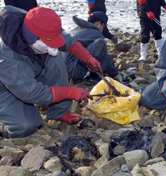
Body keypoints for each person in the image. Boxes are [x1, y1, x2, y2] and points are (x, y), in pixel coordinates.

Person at [0, 6, 103, 138]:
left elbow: (67, 40)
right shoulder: (5, 54)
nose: (54, 47)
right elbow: (31, 92)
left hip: (28, 69)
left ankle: (58, 112)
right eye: (48, 42)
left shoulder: (39, 22)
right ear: (32, 38)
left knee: (55, 58)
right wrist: (70, 92)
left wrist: (88, 57)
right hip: (4, 86)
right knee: (25, 126)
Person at [61, 11, 118, 84]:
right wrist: (113, 72)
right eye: (103, 26)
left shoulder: (77, 29)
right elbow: (103, 58)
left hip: (61, 71)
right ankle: (93, 77)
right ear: (98, 23)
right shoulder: (96, 33)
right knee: (101, 44)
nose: (103, 29)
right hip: (74, 71)